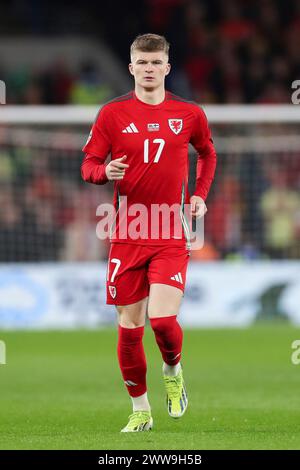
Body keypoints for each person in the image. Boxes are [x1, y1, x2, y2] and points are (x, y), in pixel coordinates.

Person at [81, 33, 217, 432]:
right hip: (127, 231)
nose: (149, 69)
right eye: (142, 62)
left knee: (161, 322)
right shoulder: (111, 114)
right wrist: (104, 172)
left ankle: (173, 372)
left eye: (156, 63)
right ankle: (140, 409)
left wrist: (200, 195)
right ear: (131, 67)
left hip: (169, 228)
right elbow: (89, 164)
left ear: (167, 67)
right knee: (129, 328)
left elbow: (207, 152)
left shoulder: (189, 113)